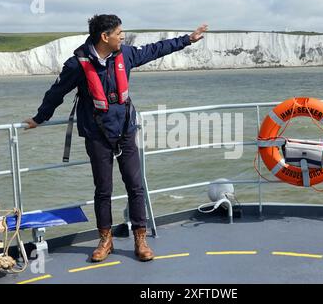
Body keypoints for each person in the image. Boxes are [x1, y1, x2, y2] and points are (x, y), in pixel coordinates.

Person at [24, 14, 208, 262]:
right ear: (104, 37)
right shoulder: (77, 65)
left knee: (135, 185)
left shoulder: (127, 55)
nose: (122, 36)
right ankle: (105, 239)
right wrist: (40, 118)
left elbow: (156, 49)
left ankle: (140, 239)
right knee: (103, 189)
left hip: (125, 132)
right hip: (97, 135)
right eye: (119, 33)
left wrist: (188, 39)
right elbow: (56, 92)